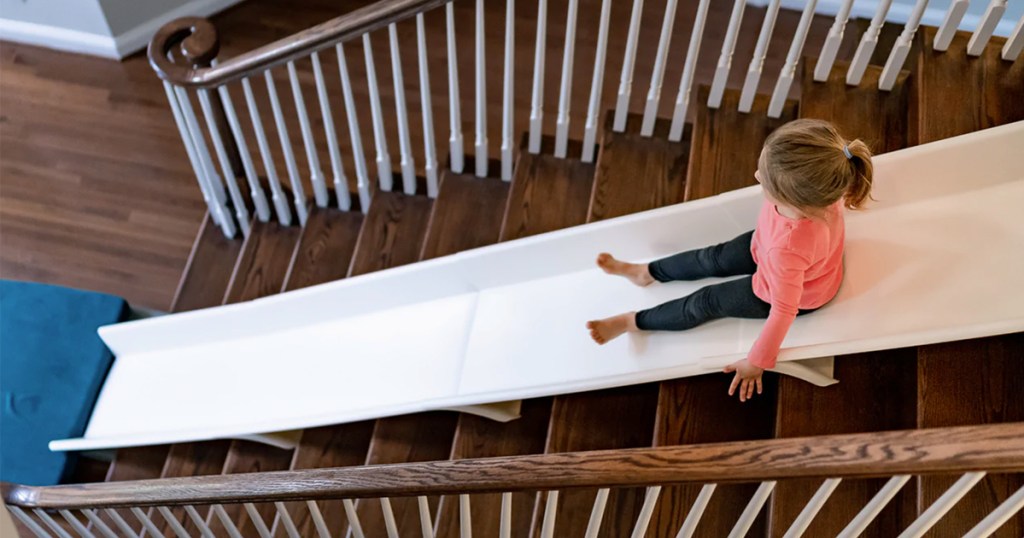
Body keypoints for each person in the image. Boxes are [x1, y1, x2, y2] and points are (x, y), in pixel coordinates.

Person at [586, 119, 873, 402]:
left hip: (784, 288)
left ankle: (631, 322)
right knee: (710, 257)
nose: (757, 175)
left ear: (791, 198)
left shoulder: (789, 249)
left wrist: (757, 361)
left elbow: (784, 311)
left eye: (764, 178)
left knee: (706, 301)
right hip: (767, 246)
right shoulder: (824, 187)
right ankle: (645, 272)